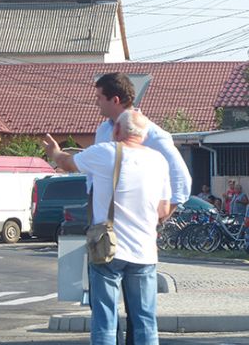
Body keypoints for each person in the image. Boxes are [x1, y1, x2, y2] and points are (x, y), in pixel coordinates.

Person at [45, 109, 170, 345]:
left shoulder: (105, 153)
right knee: (145, 320)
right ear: (144, 134)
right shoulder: (159, 160)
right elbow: (163, 210)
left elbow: (68, 163)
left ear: (116, 129)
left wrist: (54, 152)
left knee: (105, 319)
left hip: (107, 248)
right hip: (144, 250)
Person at [92, 72, 192, 344]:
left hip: (136, 238)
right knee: (105, 313)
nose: (96, 104)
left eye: (99, 98)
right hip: (104, 234)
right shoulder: (104, 130)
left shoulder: (153, 135)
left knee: (137, 317)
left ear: (115, 99)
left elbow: (182, 183)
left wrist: (157, 220)